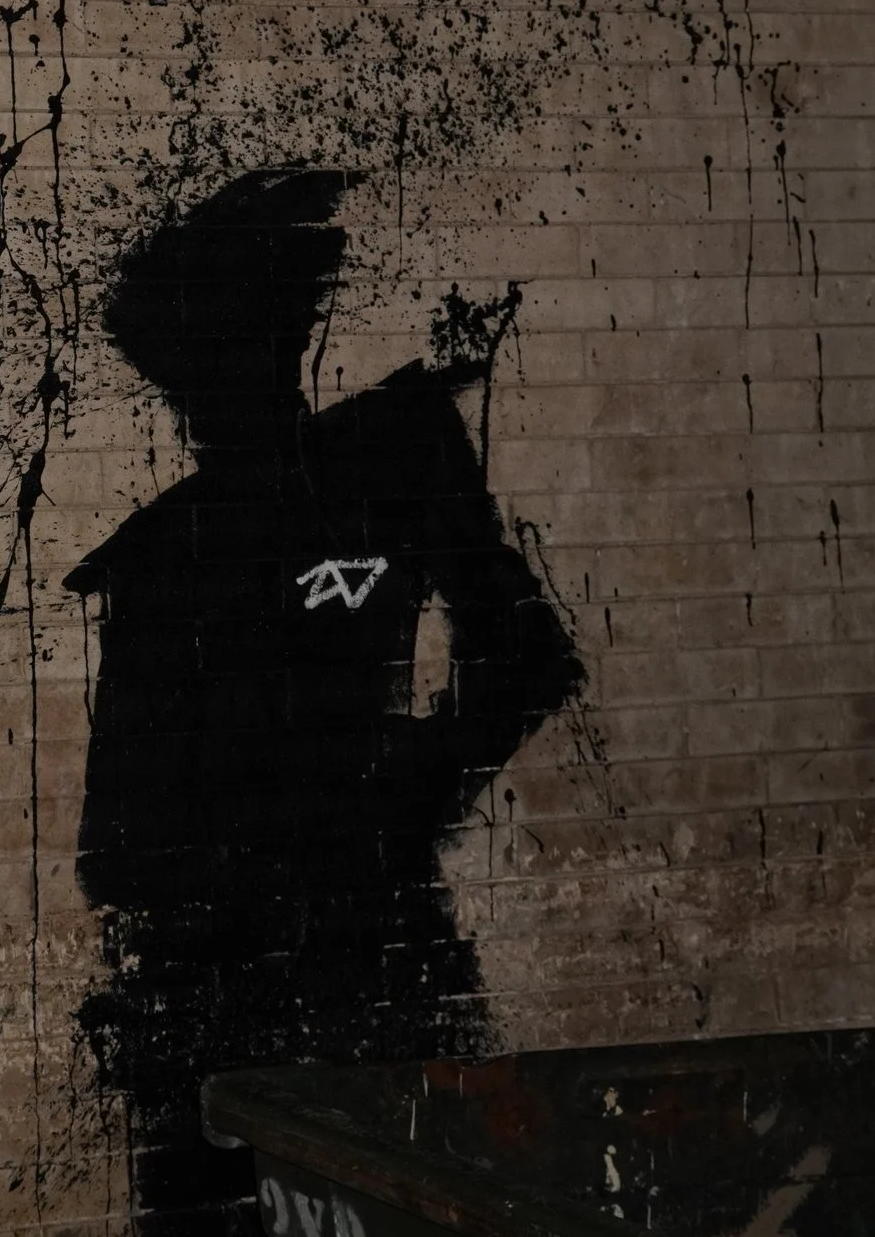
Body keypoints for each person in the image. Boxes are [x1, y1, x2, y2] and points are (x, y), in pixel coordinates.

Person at [69, 170, 585, 1230]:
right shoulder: (162, 559)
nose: (213, 394)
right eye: (196, 368)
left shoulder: (389, 459)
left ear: (288, 341)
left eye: (243, 347)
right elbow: (113, 846)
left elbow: (525, 652)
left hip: (370, 969)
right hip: (234, 999)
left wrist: (410, 778)